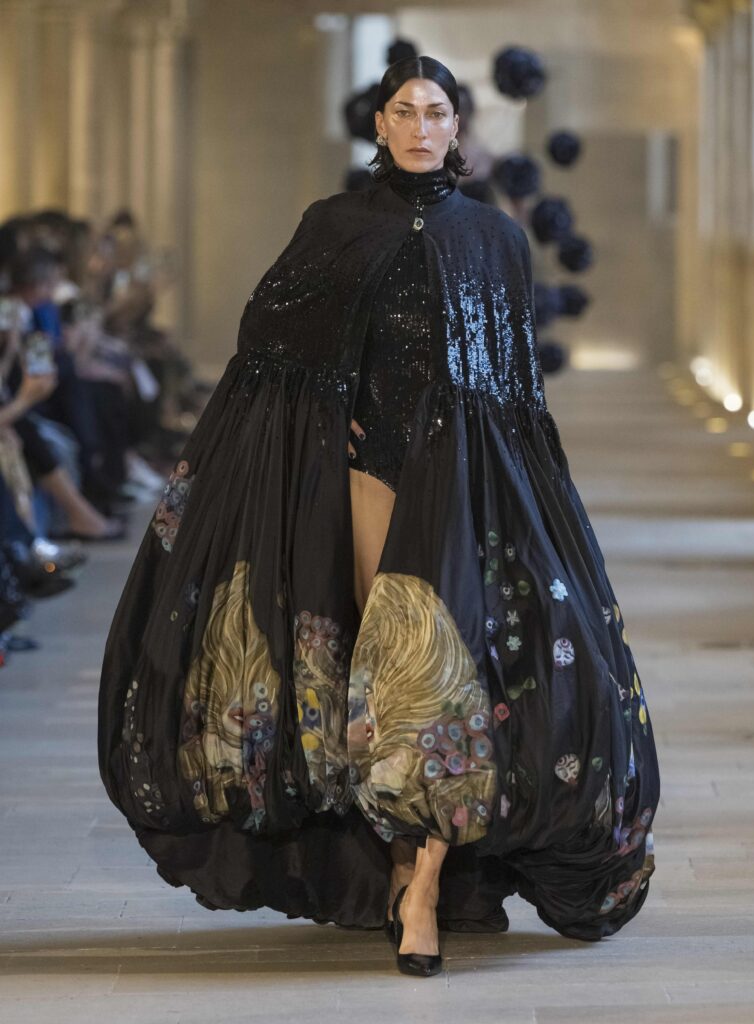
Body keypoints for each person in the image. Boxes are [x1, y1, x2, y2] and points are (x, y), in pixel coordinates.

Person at [98, 55, 660, 978]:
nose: (420, 127)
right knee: (377, 667)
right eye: (405, 111)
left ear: (456, 126)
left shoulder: (494, 238)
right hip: (364, 475)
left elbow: (515, 388)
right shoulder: (333, 225)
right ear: (380, 124)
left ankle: (425, 885)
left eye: (436, 112)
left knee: (445, 667)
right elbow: (268, 342)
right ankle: (401, 869)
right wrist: (322, 423)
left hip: (466, 484)